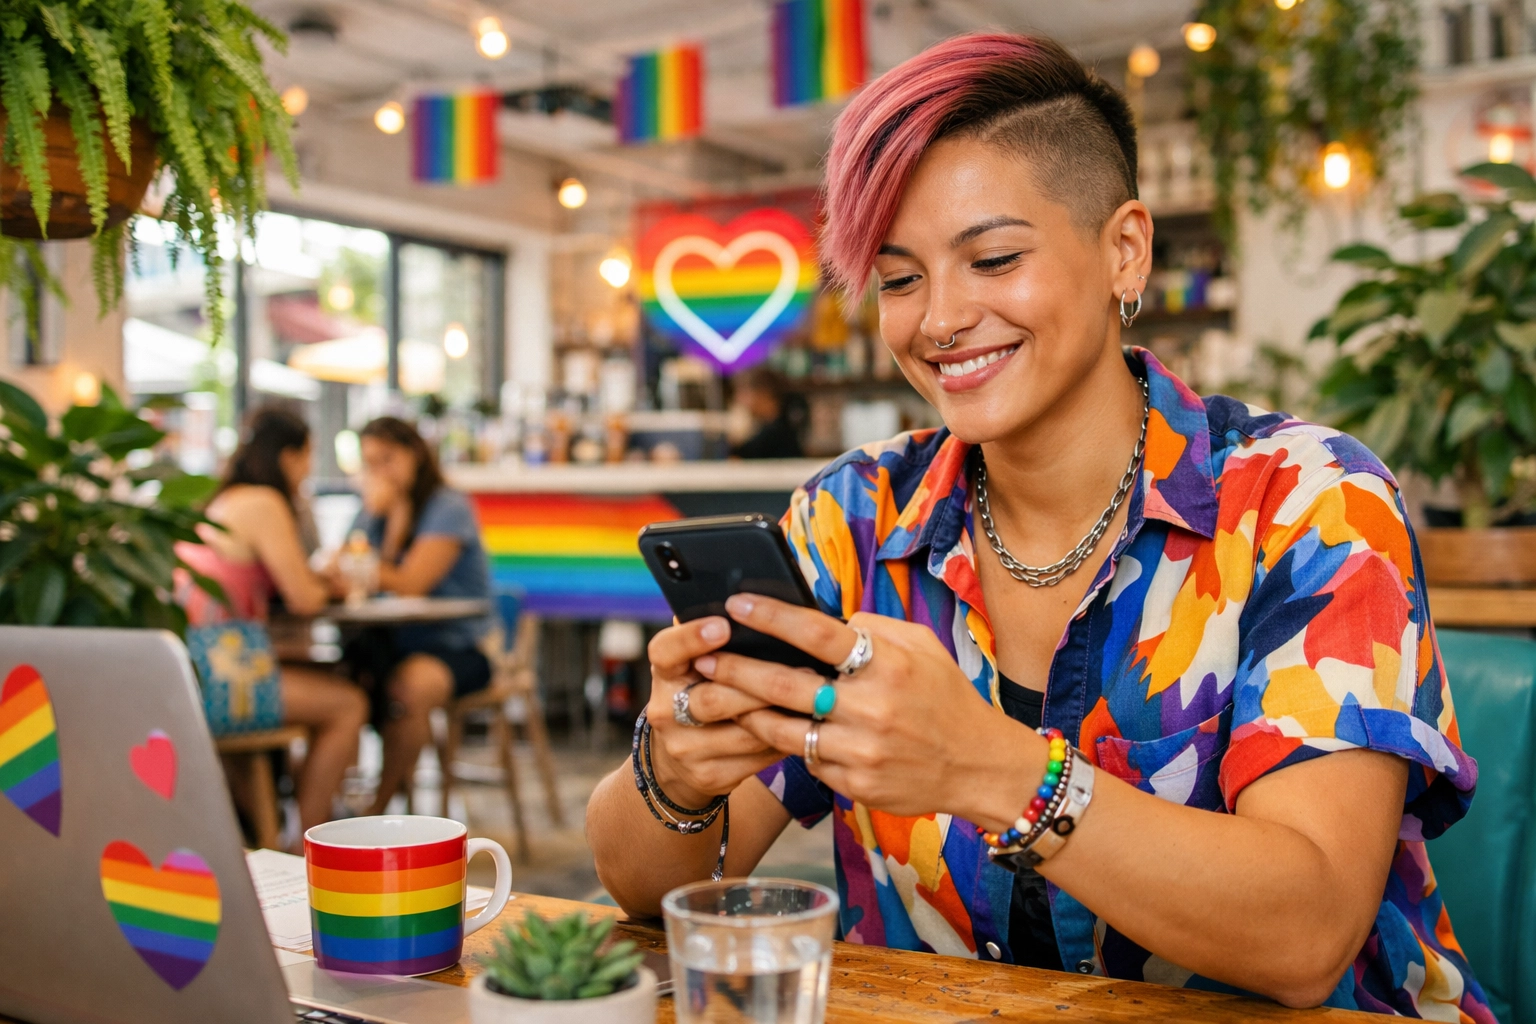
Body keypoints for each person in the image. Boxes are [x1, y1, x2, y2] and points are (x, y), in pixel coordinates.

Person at [585, 33, 1492, 1019]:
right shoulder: (855, 518)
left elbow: (1308, 932)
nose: (938, 319)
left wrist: (992, 768)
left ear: (1124, 251)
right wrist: (675, 769)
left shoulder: (1307, 501)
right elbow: (640, 887)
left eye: (994, 258)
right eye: (898, 279)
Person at [178, 407, 368, 838]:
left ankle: (285, 827)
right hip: (223, 676)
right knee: (348, 704)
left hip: (195, 667)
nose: (306, 470)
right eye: (307, 456)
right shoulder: (264, 503)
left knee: (330, 679)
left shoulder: (226, 498)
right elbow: (302, 597)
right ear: (288, 456)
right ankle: (313, 845)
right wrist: (330, 586)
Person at [344, 416, 493, 816]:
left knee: (409, 689)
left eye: (387, 458)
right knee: (342, 684)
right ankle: (335, 813)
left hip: (455, 643)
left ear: (414, 454)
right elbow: (345, 567)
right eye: (370, 462)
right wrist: (388, 522)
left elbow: (411, 582)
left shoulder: (448, 506)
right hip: (389, 642)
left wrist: (392, 523)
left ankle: (376, 812)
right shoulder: (372, 510)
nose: (379, 472)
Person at [729, 366, 805, 459]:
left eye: (750, 393)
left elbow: (740, 456)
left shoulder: (776, 433)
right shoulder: (775, 427)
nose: (746, 402)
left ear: (764, 394)